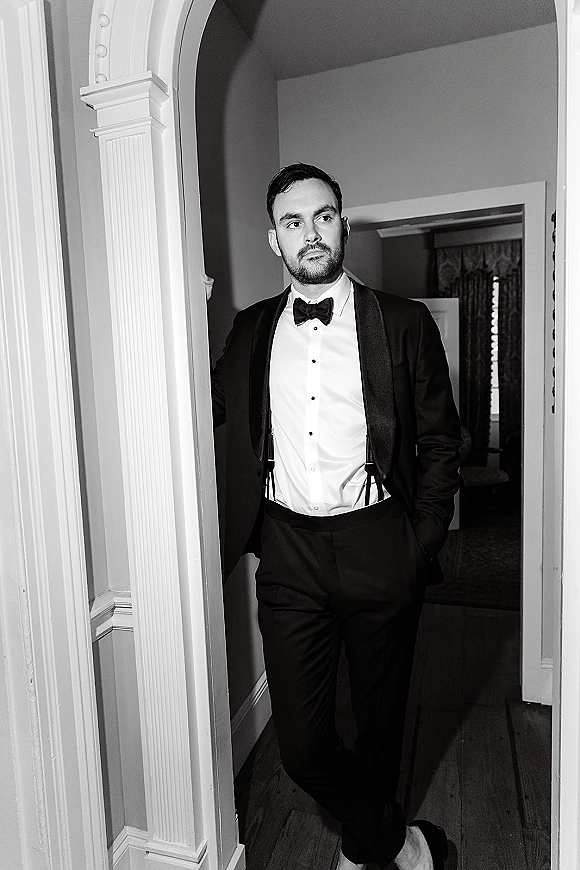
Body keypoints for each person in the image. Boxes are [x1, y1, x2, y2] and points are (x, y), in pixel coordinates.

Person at [211, 163, 462, 870]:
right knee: (301, 744)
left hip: (381, 542)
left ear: (342, 224)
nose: (311, 233)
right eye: (293, 222)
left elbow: (443, 441)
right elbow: (211, 407)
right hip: (288, 552)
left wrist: (420, 543)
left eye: (323, 216)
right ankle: (400, 840)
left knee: (382, 722)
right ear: (274, 240)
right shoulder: (251, 330)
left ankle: (365, 851)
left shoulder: (404, 322)